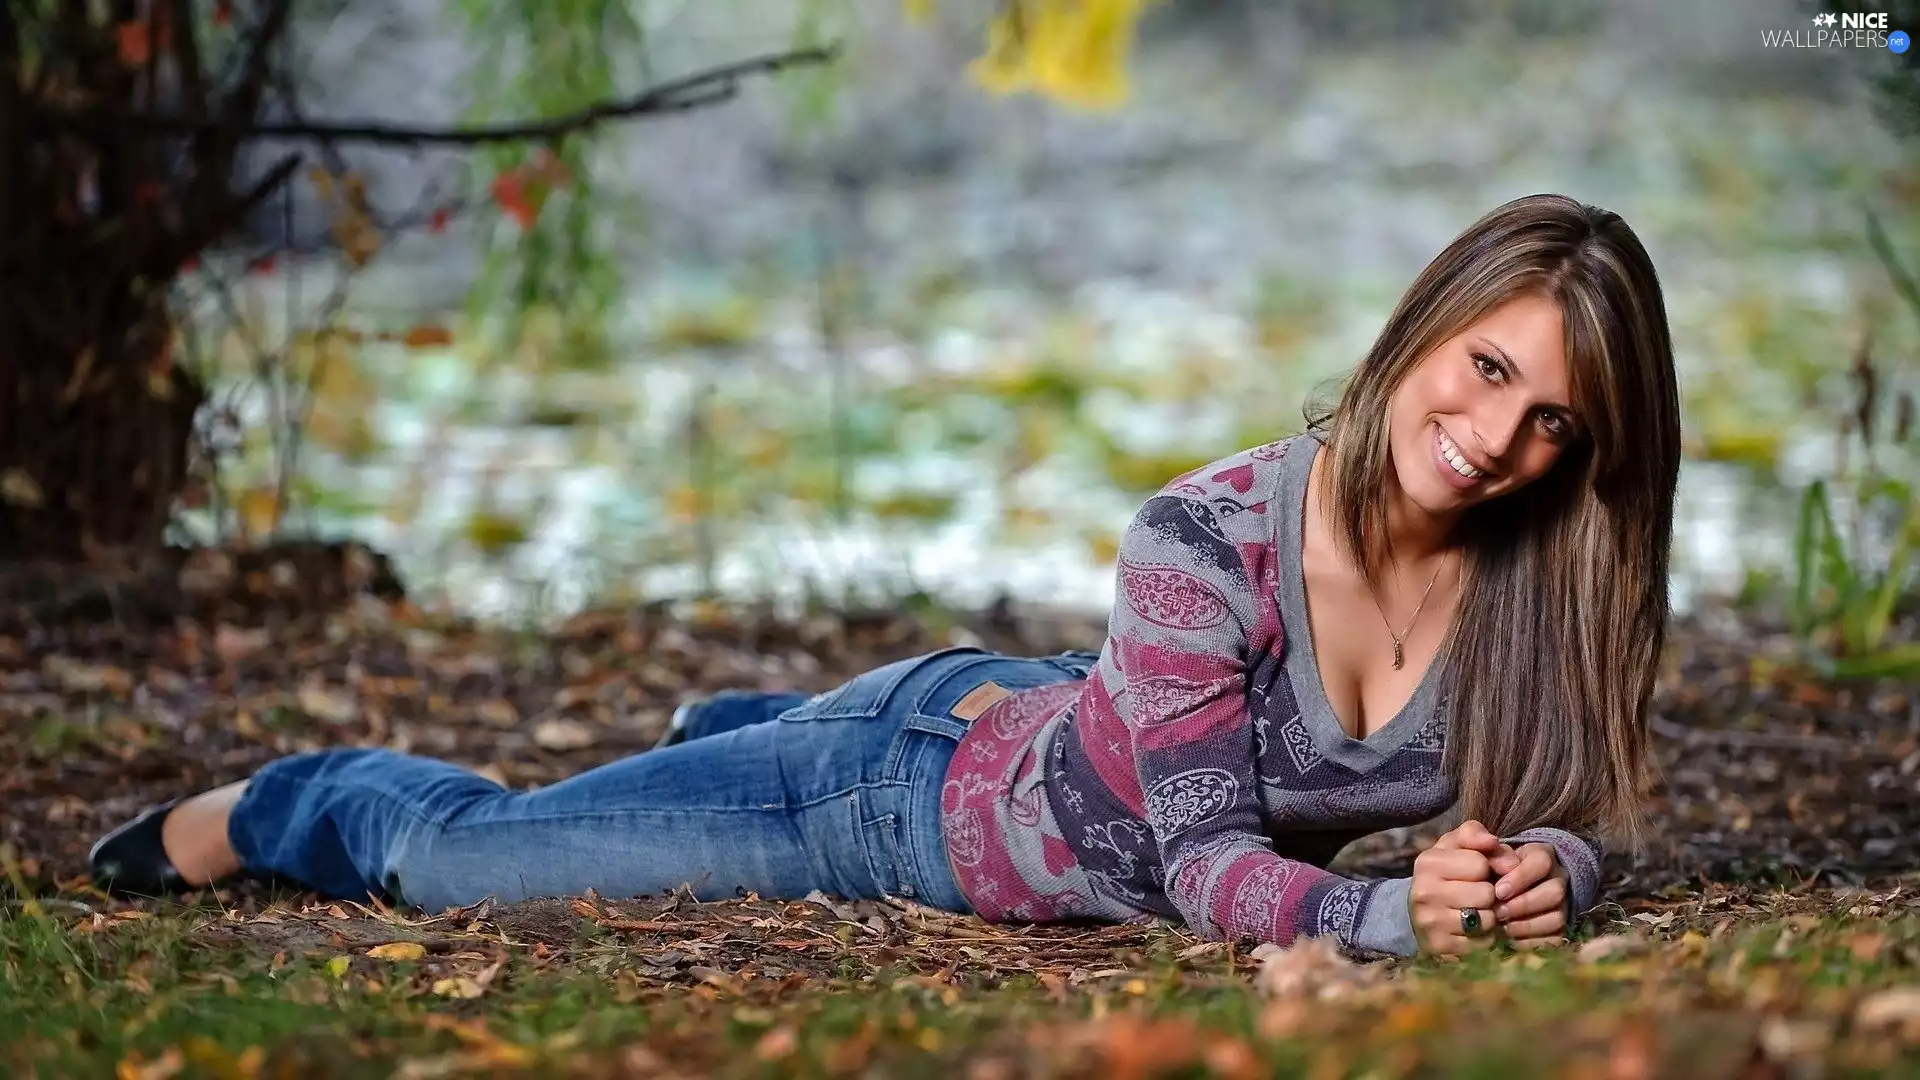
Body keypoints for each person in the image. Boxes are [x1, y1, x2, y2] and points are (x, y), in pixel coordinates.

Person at [90, 192, 1678, 957]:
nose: (1493, 439)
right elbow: (1203, 878)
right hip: (898, 797)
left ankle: (739, 722)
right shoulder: (1199, 541)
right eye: (1481, 371)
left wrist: (1549, 874)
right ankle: (284, 801)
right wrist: (1403, 918)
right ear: (1421, 326)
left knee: (820, 746)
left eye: (1551, 423)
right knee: (458, 870)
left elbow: (1582, 808)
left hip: (1067, 728)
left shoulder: (1530, 582)